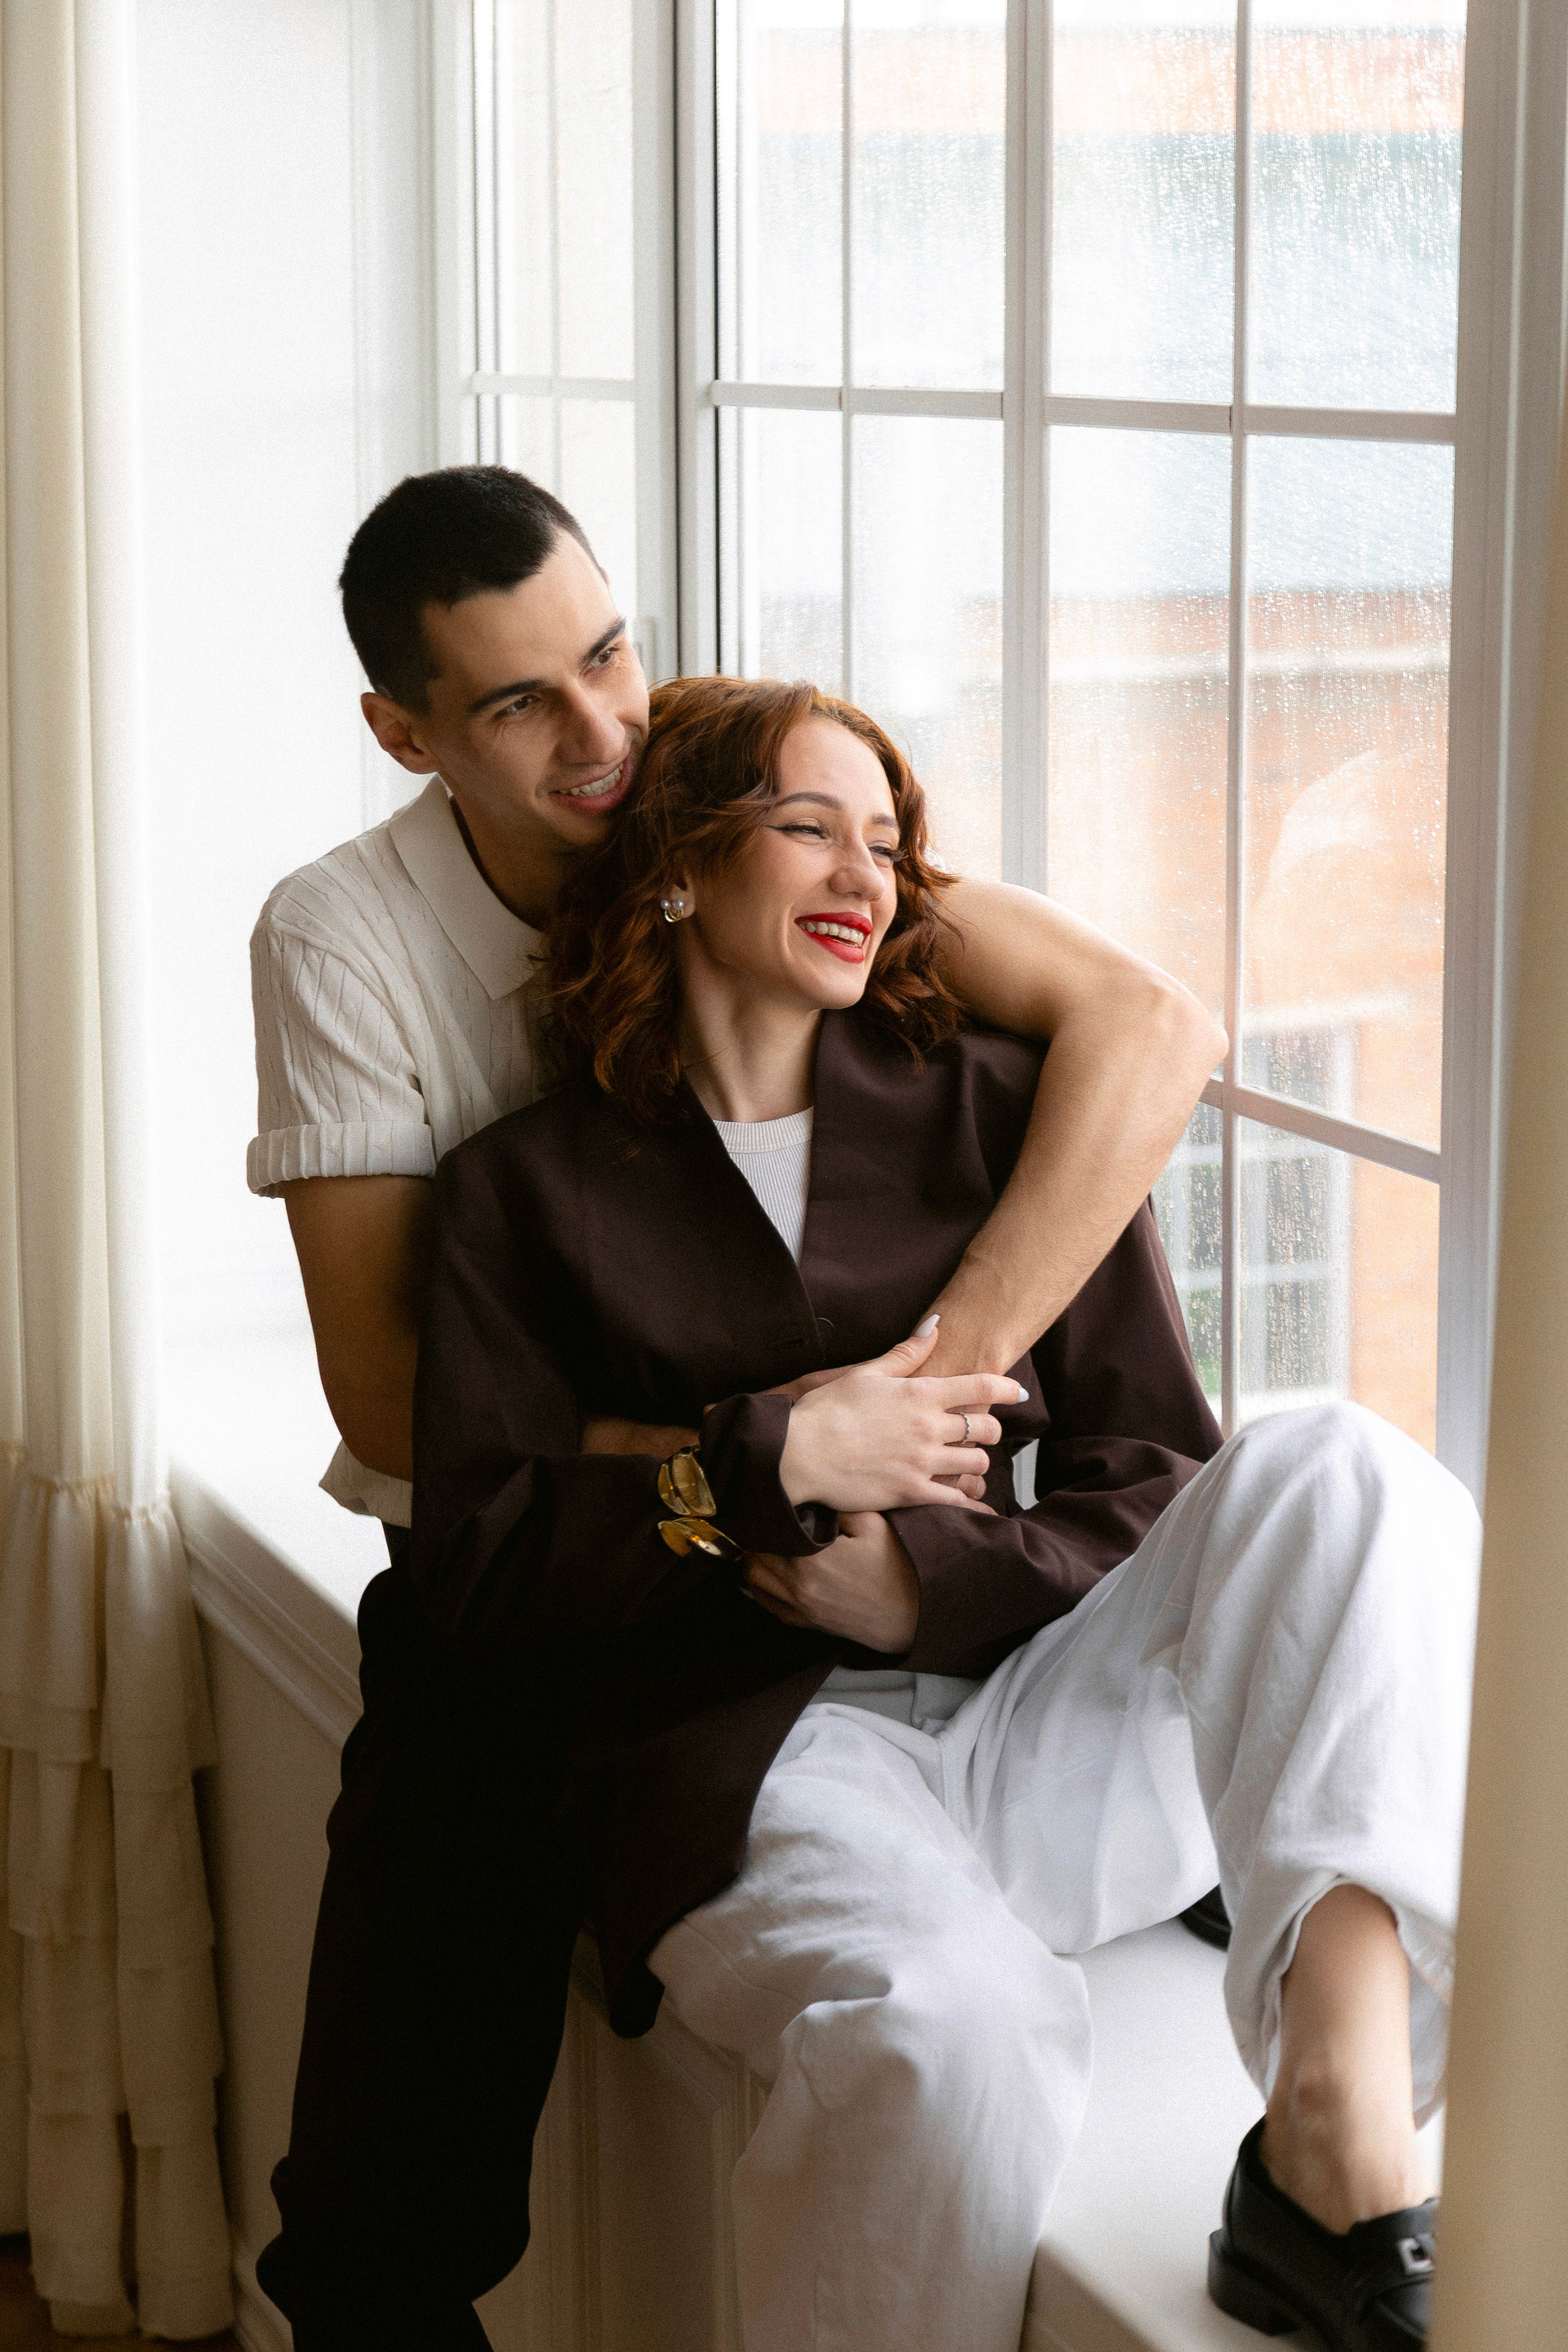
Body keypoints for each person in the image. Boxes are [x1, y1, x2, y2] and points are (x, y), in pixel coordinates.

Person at [256, 670, 1477, 2352]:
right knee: (953, 2032)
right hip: (755, 1775)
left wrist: (929, 1590)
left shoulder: (994, 1110)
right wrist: (764, 1463)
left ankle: (1333, 2142)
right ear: (681, 866)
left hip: (1043, 1730)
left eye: (888, 843)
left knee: (1341, 1464)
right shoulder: (519, 1193)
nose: (868, 878)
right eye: (809, 829)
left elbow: (1154, 1473)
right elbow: (490, 1560)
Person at [248, 466, 1225, 1541]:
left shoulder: (708, 810)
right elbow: (390, 1402)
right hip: (559, 1550)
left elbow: (1157, 1024)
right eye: (519, 703)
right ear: (404, 737)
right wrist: (776, 1458)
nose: (600, 737)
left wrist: (927, 1389)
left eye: (606, 656)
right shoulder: (338, 940)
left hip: (861, 1512)